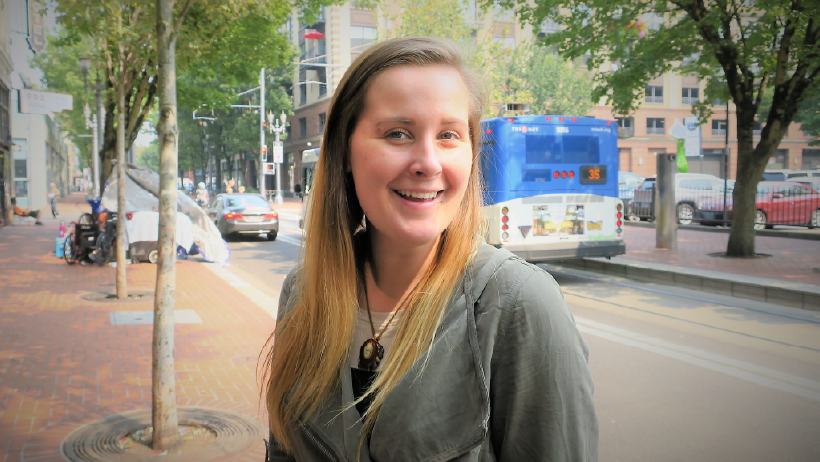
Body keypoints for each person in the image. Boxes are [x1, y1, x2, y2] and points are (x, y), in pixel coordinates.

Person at [261, 37, 597, 461]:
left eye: (449, 135)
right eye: (398, 133)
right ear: (345, 150)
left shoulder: (518, 305)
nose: (429, 162)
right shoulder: (303, 292)